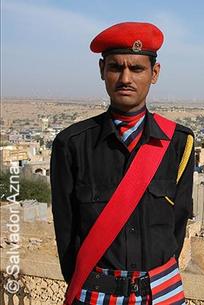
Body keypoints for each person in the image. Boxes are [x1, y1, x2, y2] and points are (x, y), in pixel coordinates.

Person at [50, 21, 195, 305]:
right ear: (102, 70)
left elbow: (177, 226)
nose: (125, 78)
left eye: (137, 69)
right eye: (116, 67)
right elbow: (66, 233)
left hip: (162, 293)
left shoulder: (178, 142)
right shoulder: (72, 144)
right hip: (96, 295)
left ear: (154, 73)